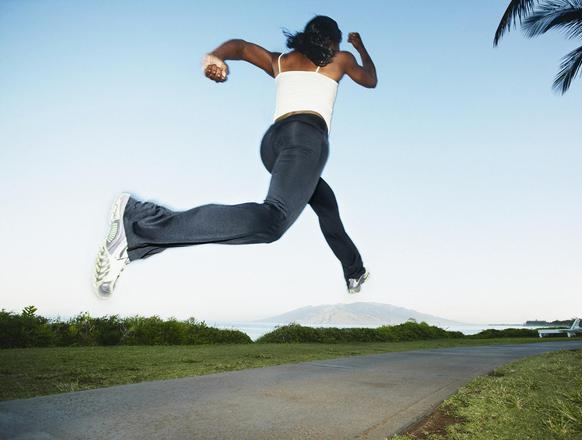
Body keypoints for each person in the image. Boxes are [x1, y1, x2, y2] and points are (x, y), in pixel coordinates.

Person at [92, 15, 377, 299]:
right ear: (331, 39)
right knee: (272, 222)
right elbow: (371, 80)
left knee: (325, 204)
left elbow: (240, 47)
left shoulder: (281, 61)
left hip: (273, 145)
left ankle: (354, 270)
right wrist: (360, 46)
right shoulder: (341, 59)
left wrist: (215, 57)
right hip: (306, 138)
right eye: (338, 41)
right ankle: (140, 222)